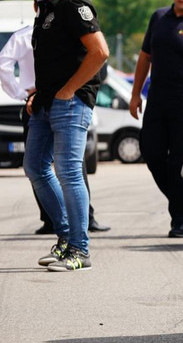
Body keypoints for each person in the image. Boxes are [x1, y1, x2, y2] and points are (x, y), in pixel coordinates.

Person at [23, 0, 109, 272]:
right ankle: (65, 239)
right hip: (47, 102)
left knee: (69, 171)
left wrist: (70, 89)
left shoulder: (73, 4)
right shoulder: (47, 6)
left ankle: (80, 249)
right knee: (35, 167)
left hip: (71, 102)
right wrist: (39, 94)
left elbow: (99, 52)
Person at [0, 13, 108, 236]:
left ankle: (63, 227)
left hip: (47, 100)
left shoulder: (26, 35)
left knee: (52, 168)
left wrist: (21, 92)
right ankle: (75, 222)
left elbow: (4, 65)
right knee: (59, 166)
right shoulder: (45, 33)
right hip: (43, 102)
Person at [130, 0, 183, 238]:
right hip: (157, 100)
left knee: (178, 163)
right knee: (151, 153)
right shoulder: (159, 17)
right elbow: (144, 57)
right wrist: (135, 93)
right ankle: (181, 200)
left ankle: (182, 219)